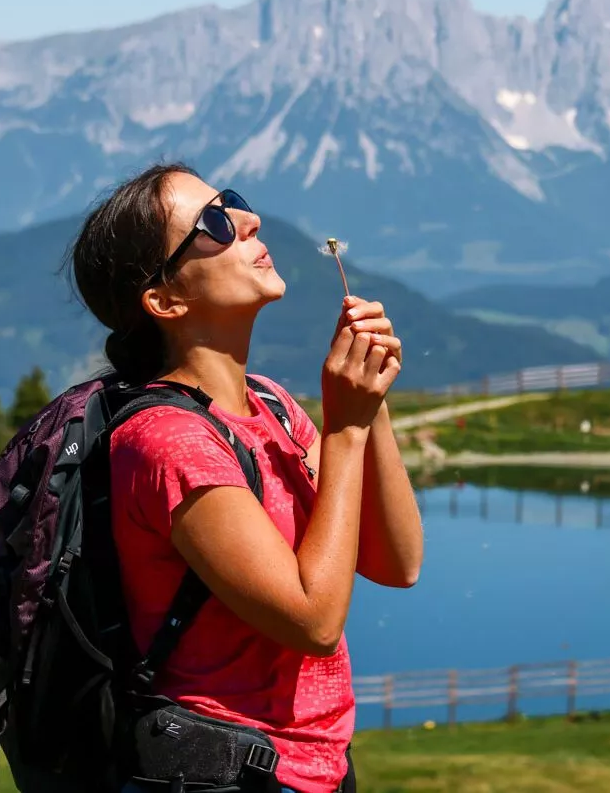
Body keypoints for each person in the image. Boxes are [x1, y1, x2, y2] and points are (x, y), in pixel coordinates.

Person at [69, 162, 424, 793]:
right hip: (221, 773)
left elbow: (397, 562)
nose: (248, 219)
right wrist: (343, 430)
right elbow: (314, 623)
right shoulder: (167, 443)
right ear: (166, 300)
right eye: (214, 223)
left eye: (232, 202)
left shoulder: (273, 406)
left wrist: (369, 405)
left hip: (314, 768)